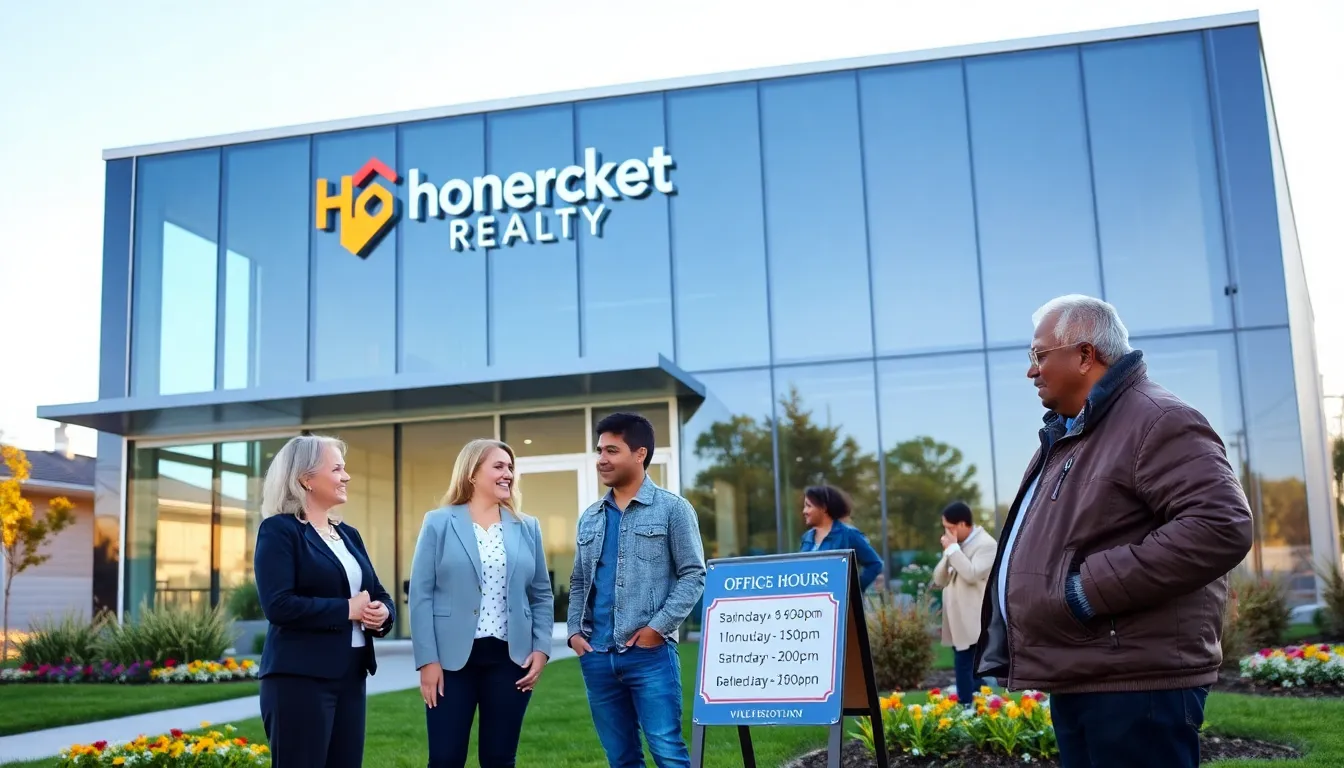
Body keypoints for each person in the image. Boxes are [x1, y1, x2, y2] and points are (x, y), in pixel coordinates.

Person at [976, 295, 1253, 768]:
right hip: (1088, 671)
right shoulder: (1072, 434)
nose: (1032, 371)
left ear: (1085, 356)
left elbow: (1220, 525)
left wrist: (1082, 593)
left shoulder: (1157, 419)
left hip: (1135, 685)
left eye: (1039, 355)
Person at [567, 413, 706, 768]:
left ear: (640, 453)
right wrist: (574, 635)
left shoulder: (673, 509)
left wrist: (656, 629)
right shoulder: (591, 517)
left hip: (650, 656)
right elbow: (580, 581)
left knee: (667, 751)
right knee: (621, 758)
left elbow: (693, 575)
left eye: (612, 450)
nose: (601, 459)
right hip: (597, 655)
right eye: (599, 450)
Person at [408, 438, 554, 768]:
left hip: (510, 660)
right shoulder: (439, 522)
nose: (508, 474)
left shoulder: (527, 526)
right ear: (473, 473)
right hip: (450, 663)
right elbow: (421, 595)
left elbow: (541, 593)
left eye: (511, 467)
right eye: (499, 466)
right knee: (445, 758)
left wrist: (541, 649)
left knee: (500, 758)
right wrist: (427, 661)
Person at [254, 434, 396, 768]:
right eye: (337, 469)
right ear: (306, 479)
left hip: (351, 675)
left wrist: (382, 613)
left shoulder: (348, 534)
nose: (346, 477)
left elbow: (378, 593)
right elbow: (279, 605)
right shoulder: (279, 531)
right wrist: (348, 609)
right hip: (299, 680)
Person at [930, 501, 997, 702]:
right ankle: (978, 702)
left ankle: (967, 705)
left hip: (974, 618)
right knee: (967, 664)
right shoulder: (956, 546)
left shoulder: (987, 545)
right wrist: (950, 553)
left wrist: (952, 551)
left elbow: (971, 574)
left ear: (962, 524)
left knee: (965, 662)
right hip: (957, 618)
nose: (946, 532)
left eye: (950, 527)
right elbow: (939, 579)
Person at [798, 485, 882, 591]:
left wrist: (854, 589)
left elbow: (875, 564)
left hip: (838, 604)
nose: (804, 511)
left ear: (823, 508)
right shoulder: (807, 537)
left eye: (808, 506)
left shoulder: (849, 534)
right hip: (812, 604)